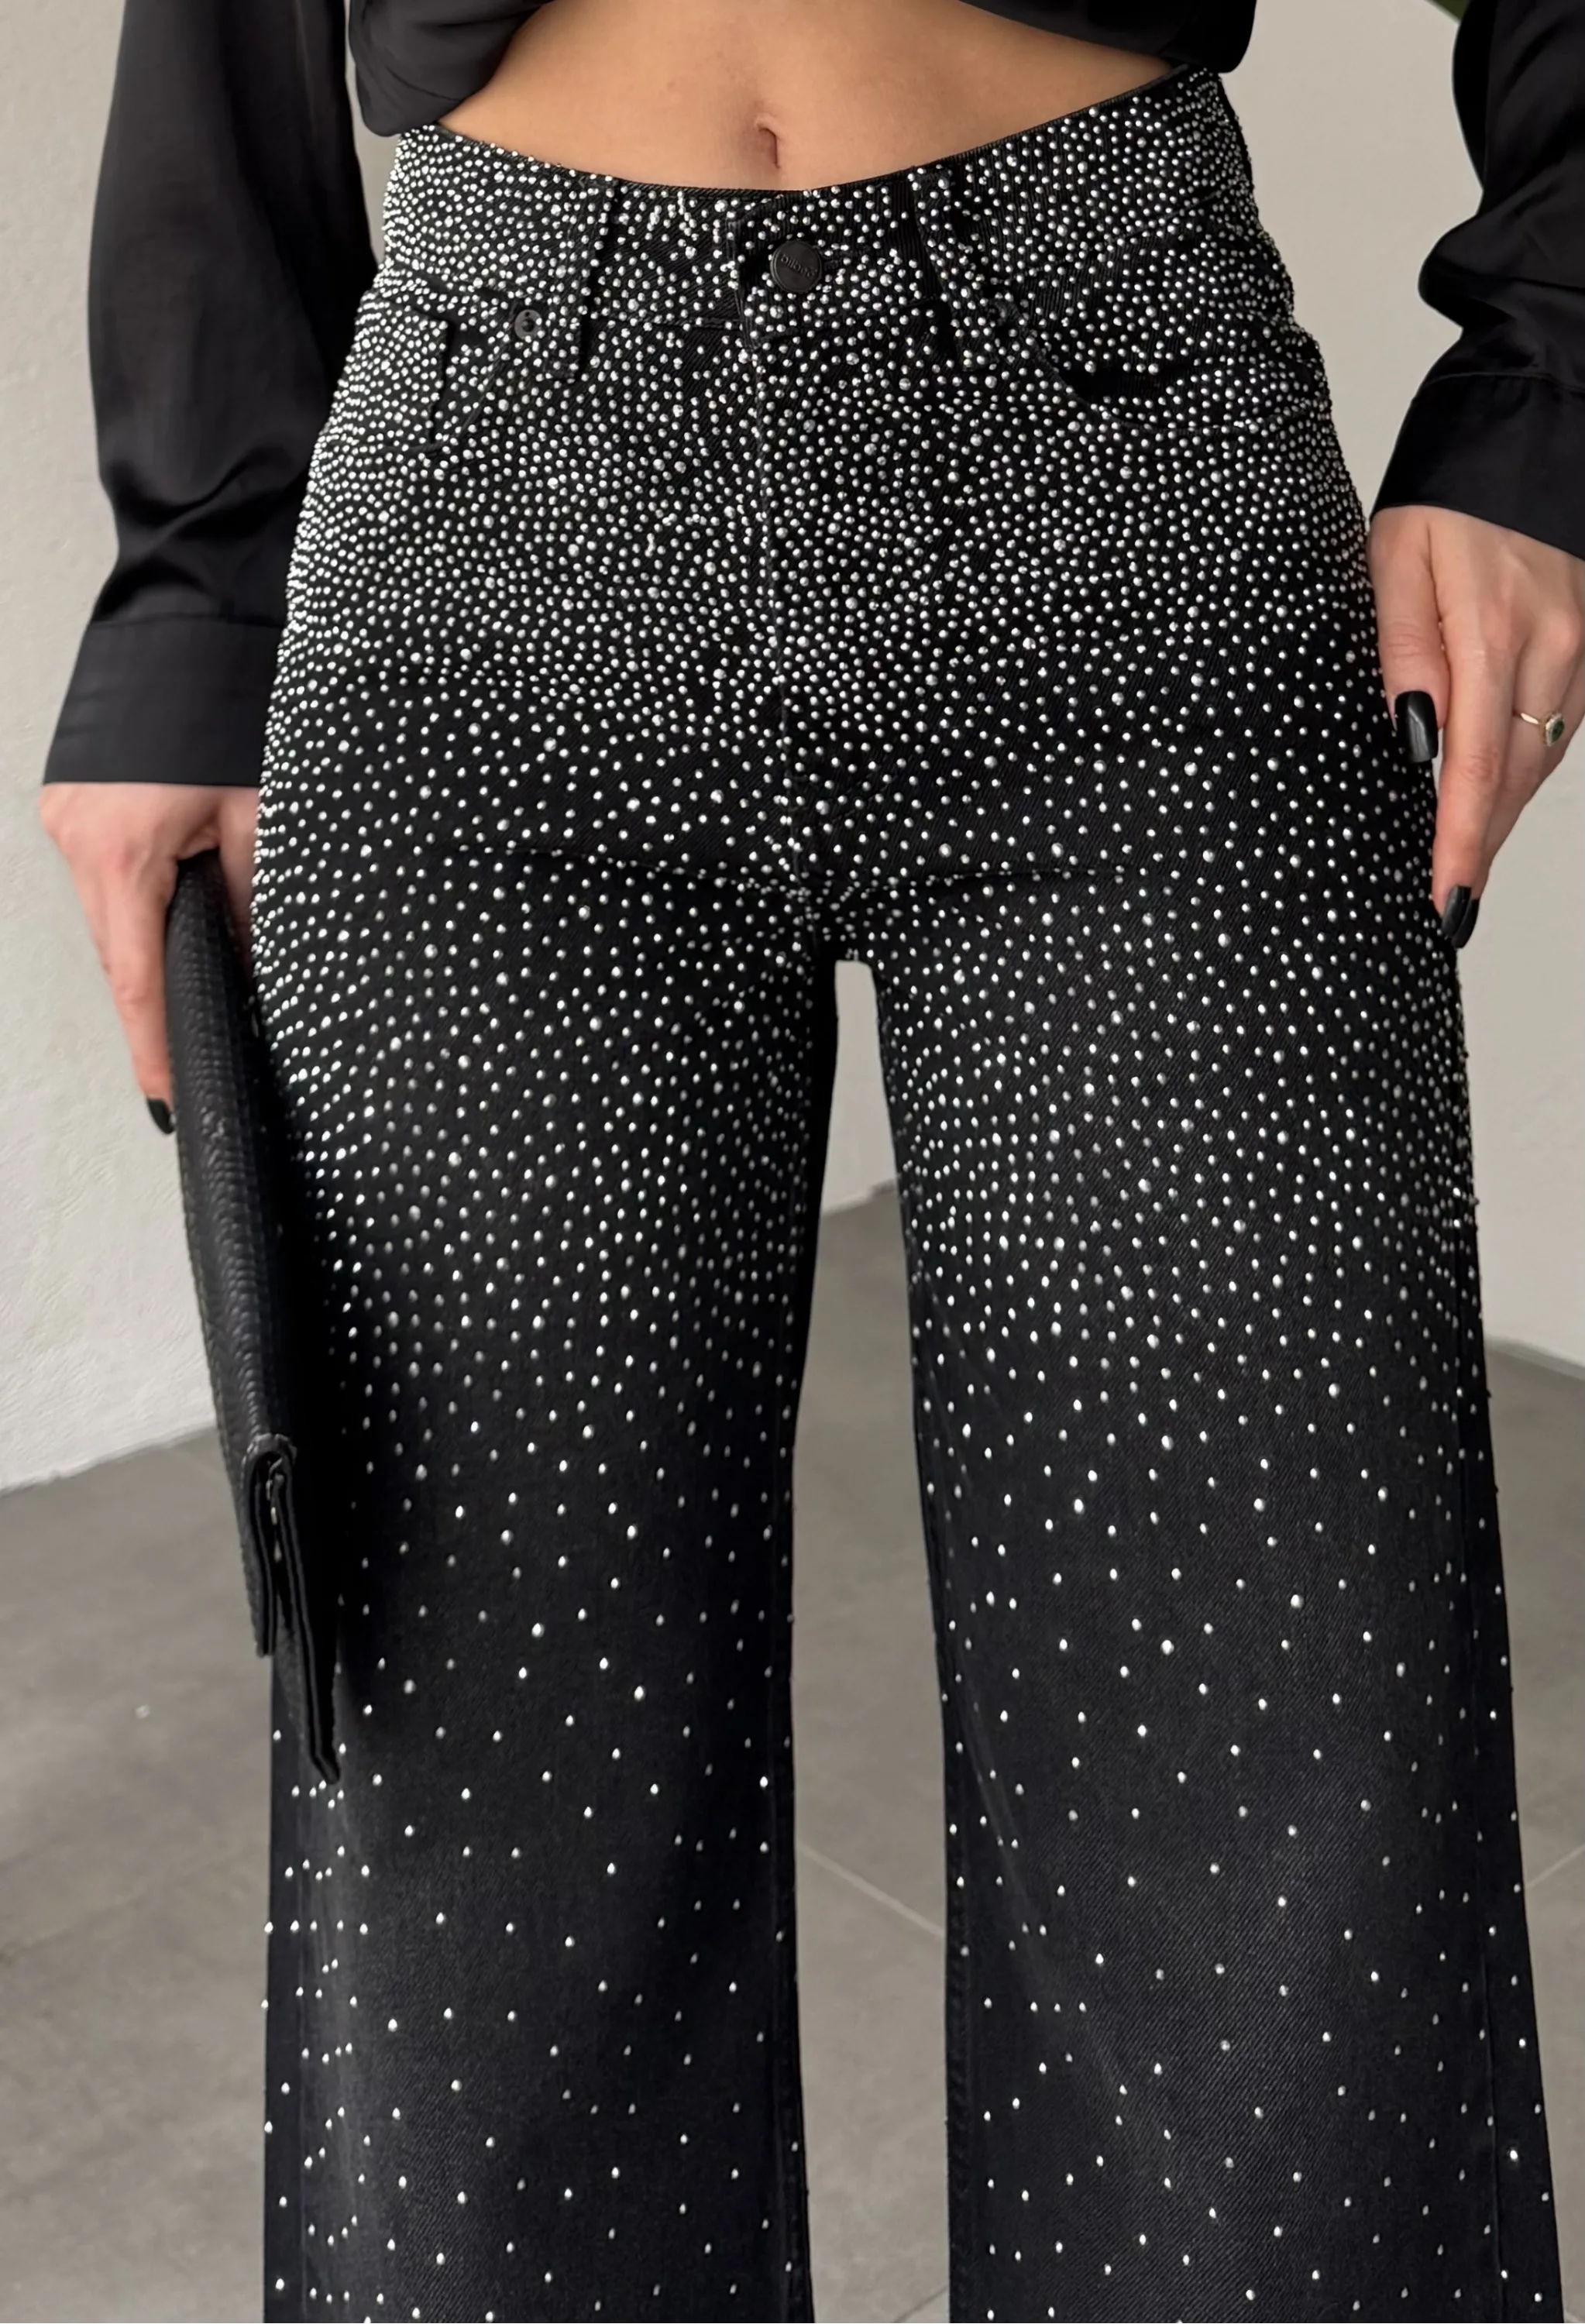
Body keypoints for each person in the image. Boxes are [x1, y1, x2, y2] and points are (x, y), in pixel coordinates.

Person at [36, 0, 1581, 2312]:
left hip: (1126, 456)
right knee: (474, 1875)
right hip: (483, 512)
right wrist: (199, 583)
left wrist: (1552, 386)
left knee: (1284, 1861)